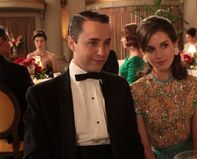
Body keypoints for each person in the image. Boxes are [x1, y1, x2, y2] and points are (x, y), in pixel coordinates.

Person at [23, 11, 144, 159]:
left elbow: (133, 144)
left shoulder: (119, 86)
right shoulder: (42, 95)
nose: (102, 52)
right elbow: (35, 154)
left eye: (106, 43)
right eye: (93, 43)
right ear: (71, 43)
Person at [130, 16, 197, 159]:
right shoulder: (136, 90)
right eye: (150, 49)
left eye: (164, 45)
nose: (159, 55)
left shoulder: (192, 84)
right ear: (143, 52)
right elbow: (145, 148)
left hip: (192, 155)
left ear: (175, 44)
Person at [0, 26, 33, 141]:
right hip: (15, 135)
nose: (10, 45)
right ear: (1, 42)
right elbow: (32, 101)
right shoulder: (17, 72)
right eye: (8, 41)